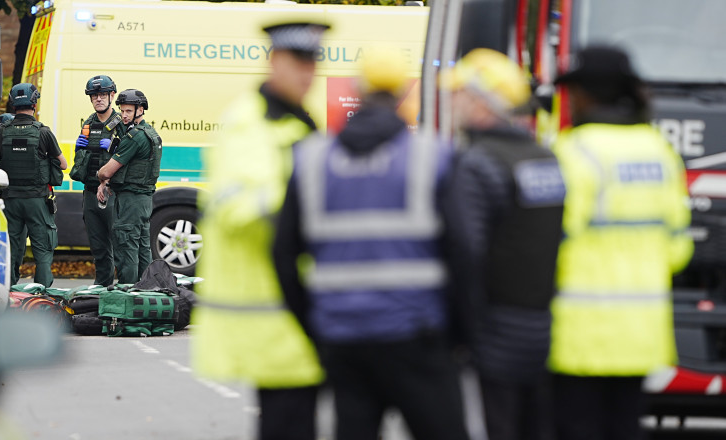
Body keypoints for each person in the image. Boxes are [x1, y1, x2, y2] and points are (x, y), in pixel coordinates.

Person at [273, 48, 467, 440]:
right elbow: (465, 252)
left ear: (358, 92)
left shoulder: (312, 159)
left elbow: (282, 254)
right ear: (401, 96)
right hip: (417, 333)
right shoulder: (432, 155)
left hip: (343, 336)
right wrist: (459, 334)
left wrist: (315, 325)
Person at [190, 21, 329, 440]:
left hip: (293, 304)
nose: (307, 73)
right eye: (296, 62)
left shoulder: (297, 121)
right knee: (288, 422)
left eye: (312, 63)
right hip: (272, 308)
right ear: (273, 62)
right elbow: (239, 210)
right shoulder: (251, 123)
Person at [548, 46, 693, 440]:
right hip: (641, 335)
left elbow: (549, 244)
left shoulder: (573, 152)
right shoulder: (660, 153)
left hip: (580, 337)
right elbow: (678, 250)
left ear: (584, 94)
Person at [440, 48, 565, 440]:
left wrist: (461, 331)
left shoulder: (478, 163)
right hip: (543, 326)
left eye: (460, 92)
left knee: (501, 426)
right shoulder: (545, 159)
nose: (452, 100)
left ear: (482, 102)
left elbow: (466, 250)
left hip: (495, 328)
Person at [0, 83, 68, 287]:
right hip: (37, 201)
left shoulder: (2, 131)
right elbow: (63, 164)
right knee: (42, 248)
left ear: (13, 104)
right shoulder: (43, 132)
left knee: (12, 248)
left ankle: (10, 290)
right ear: (34, 102)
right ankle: (42, 292)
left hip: (10, 200)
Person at [96, 89, 161, 285]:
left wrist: (100, 176)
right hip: (143, 199)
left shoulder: (136, 137)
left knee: (126, 247)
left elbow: (107, 171)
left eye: (128, 111)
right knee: (142, 248)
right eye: (122, 111)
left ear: (140, 110)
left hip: (131, 200)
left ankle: (128, 292)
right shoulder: (150, 132)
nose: (123, 115)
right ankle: (145, 290)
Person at [71, 75, 125, 286]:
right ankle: (102, 286)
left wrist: (114, 147)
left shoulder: (121, 123)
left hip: (113, 192)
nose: (98, 99)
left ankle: (124, 286)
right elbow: (81, 160)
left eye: (102, 95)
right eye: (94, 96)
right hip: (91, 191)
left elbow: (130, 156)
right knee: (98, 245)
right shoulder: (88, 123)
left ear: (112, 96)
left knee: (120, 243)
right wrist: (78, 150)